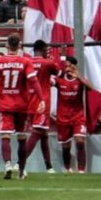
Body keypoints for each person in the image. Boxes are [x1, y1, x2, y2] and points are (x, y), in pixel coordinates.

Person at [0, 33, 44, 180]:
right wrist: (41, 99)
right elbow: (33, 82)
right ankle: (22, 170)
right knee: (21, 137)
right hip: (21, 105)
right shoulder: (25, 62)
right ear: (19, 46)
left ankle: (7, 165)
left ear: (7, 45)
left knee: (5, 135)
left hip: (5, 104)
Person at [22, 39, 62, 173]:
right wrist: (58, 58)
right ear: (43, 50)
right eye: (47, 50)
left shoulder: (26, 62)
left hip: (29, 102)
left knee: (44, 134)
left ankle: (49, 167)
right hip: (42, 102)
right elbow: (60, 73)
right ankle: (19, 162)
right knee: (37, 132)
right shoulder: (48, 62)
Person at [55, 56, 94, 174]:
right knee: (65, 146)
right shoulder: (59, 80)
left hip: (78, 116)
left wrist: (80, 77)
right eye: (65, 66)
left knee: (80, 141)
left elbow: (91, 87)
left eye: (68, 65)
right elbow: (48, 81)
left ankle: (81, 170)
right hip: (63, 117)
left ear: (74, 66)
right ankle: (68, 169)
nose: (66, 68)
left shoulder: (79, 80)